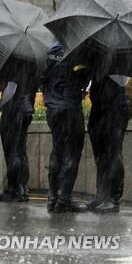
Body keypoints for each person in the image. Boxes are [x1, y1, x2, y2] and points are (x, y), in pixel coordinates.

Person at [41, 43, 90, 213]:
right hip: (70, 108)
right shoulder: (78, 50)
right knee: (71, 154)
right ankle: (64, 200)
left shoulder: (50, 49)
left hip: (53, 109)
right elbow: (84, 79)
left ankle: (52, 198)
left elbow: (42, 77)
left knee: (57, 151)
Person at [87, 74, 129, 213]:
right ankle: (102, 194)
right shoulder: (99, 56)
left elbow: (123, 80)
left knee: (113, 152)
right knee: (100, 153)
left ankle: (113, 198)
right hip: (98, 106)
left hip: (115, 107)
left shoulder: (121, 58)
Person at [0, 61, 38, 202]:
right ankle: (22, 187)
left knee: (12, 150)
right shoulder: (35, 60)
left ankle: (14, 189)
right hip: (27, 107)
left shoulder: (8, 59)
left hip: (13, 107)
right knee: (20, 150)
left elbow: (4, 84)